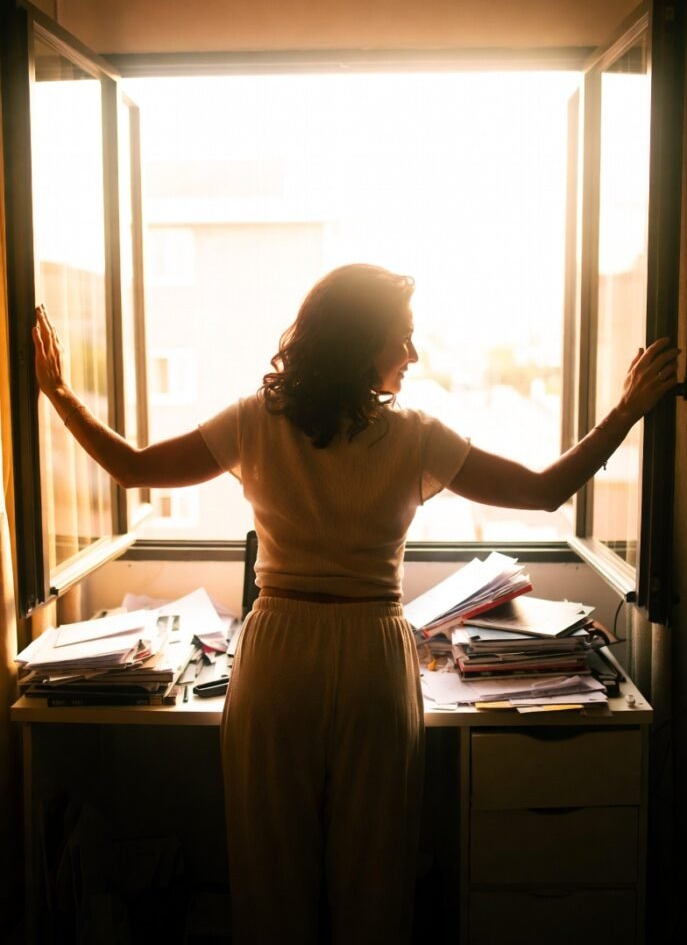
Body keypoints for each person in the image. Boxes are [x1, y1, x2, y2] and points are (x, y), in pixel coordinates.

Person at [33, 263, 678, 944]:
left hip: (279, 652)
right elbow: (544, 490)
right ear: (362, 339)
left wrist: (60, 393)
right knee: (374, 877)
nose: (413, 354)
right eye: (402, 336)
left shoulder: (255, 420)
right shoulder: (416, 434)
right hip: (372, 652)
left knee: (271, 873)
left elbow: (133, 467)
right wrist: (625, 411)